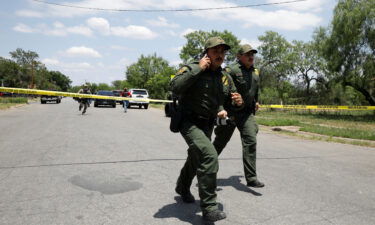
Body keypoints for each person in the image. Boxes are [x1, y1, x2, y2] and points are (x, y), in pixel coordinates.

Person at [171, 37, 243, 222]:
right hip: (189, 122)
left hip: (207, 124)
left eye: (222, 52)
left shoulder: (224, 77)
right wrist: (198, 68)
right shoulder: (193, 67)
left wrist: (236, 103)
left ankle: (182, 186)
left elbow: (227, 102)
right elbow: (175, 86)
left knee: (196, 156)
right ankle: (209, 207)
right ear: (207, 53)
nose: (220, 55)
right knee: (209, 155)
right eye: (215, 51)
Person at [213, 44, 264, 188]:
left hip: (246, 113)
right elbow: (221, 89)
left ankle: (251, 178)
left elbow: (255, 89)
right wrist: (221, 109)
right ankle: (204, 170)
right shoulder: (231, 70)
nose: (251, 57)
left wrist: (256, 101)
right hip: (231, 113)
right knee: (219, 143)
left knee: (250, 141)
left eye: (252, 54)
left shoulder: (255, 72)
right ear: (239, 56)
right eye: (247, 54)